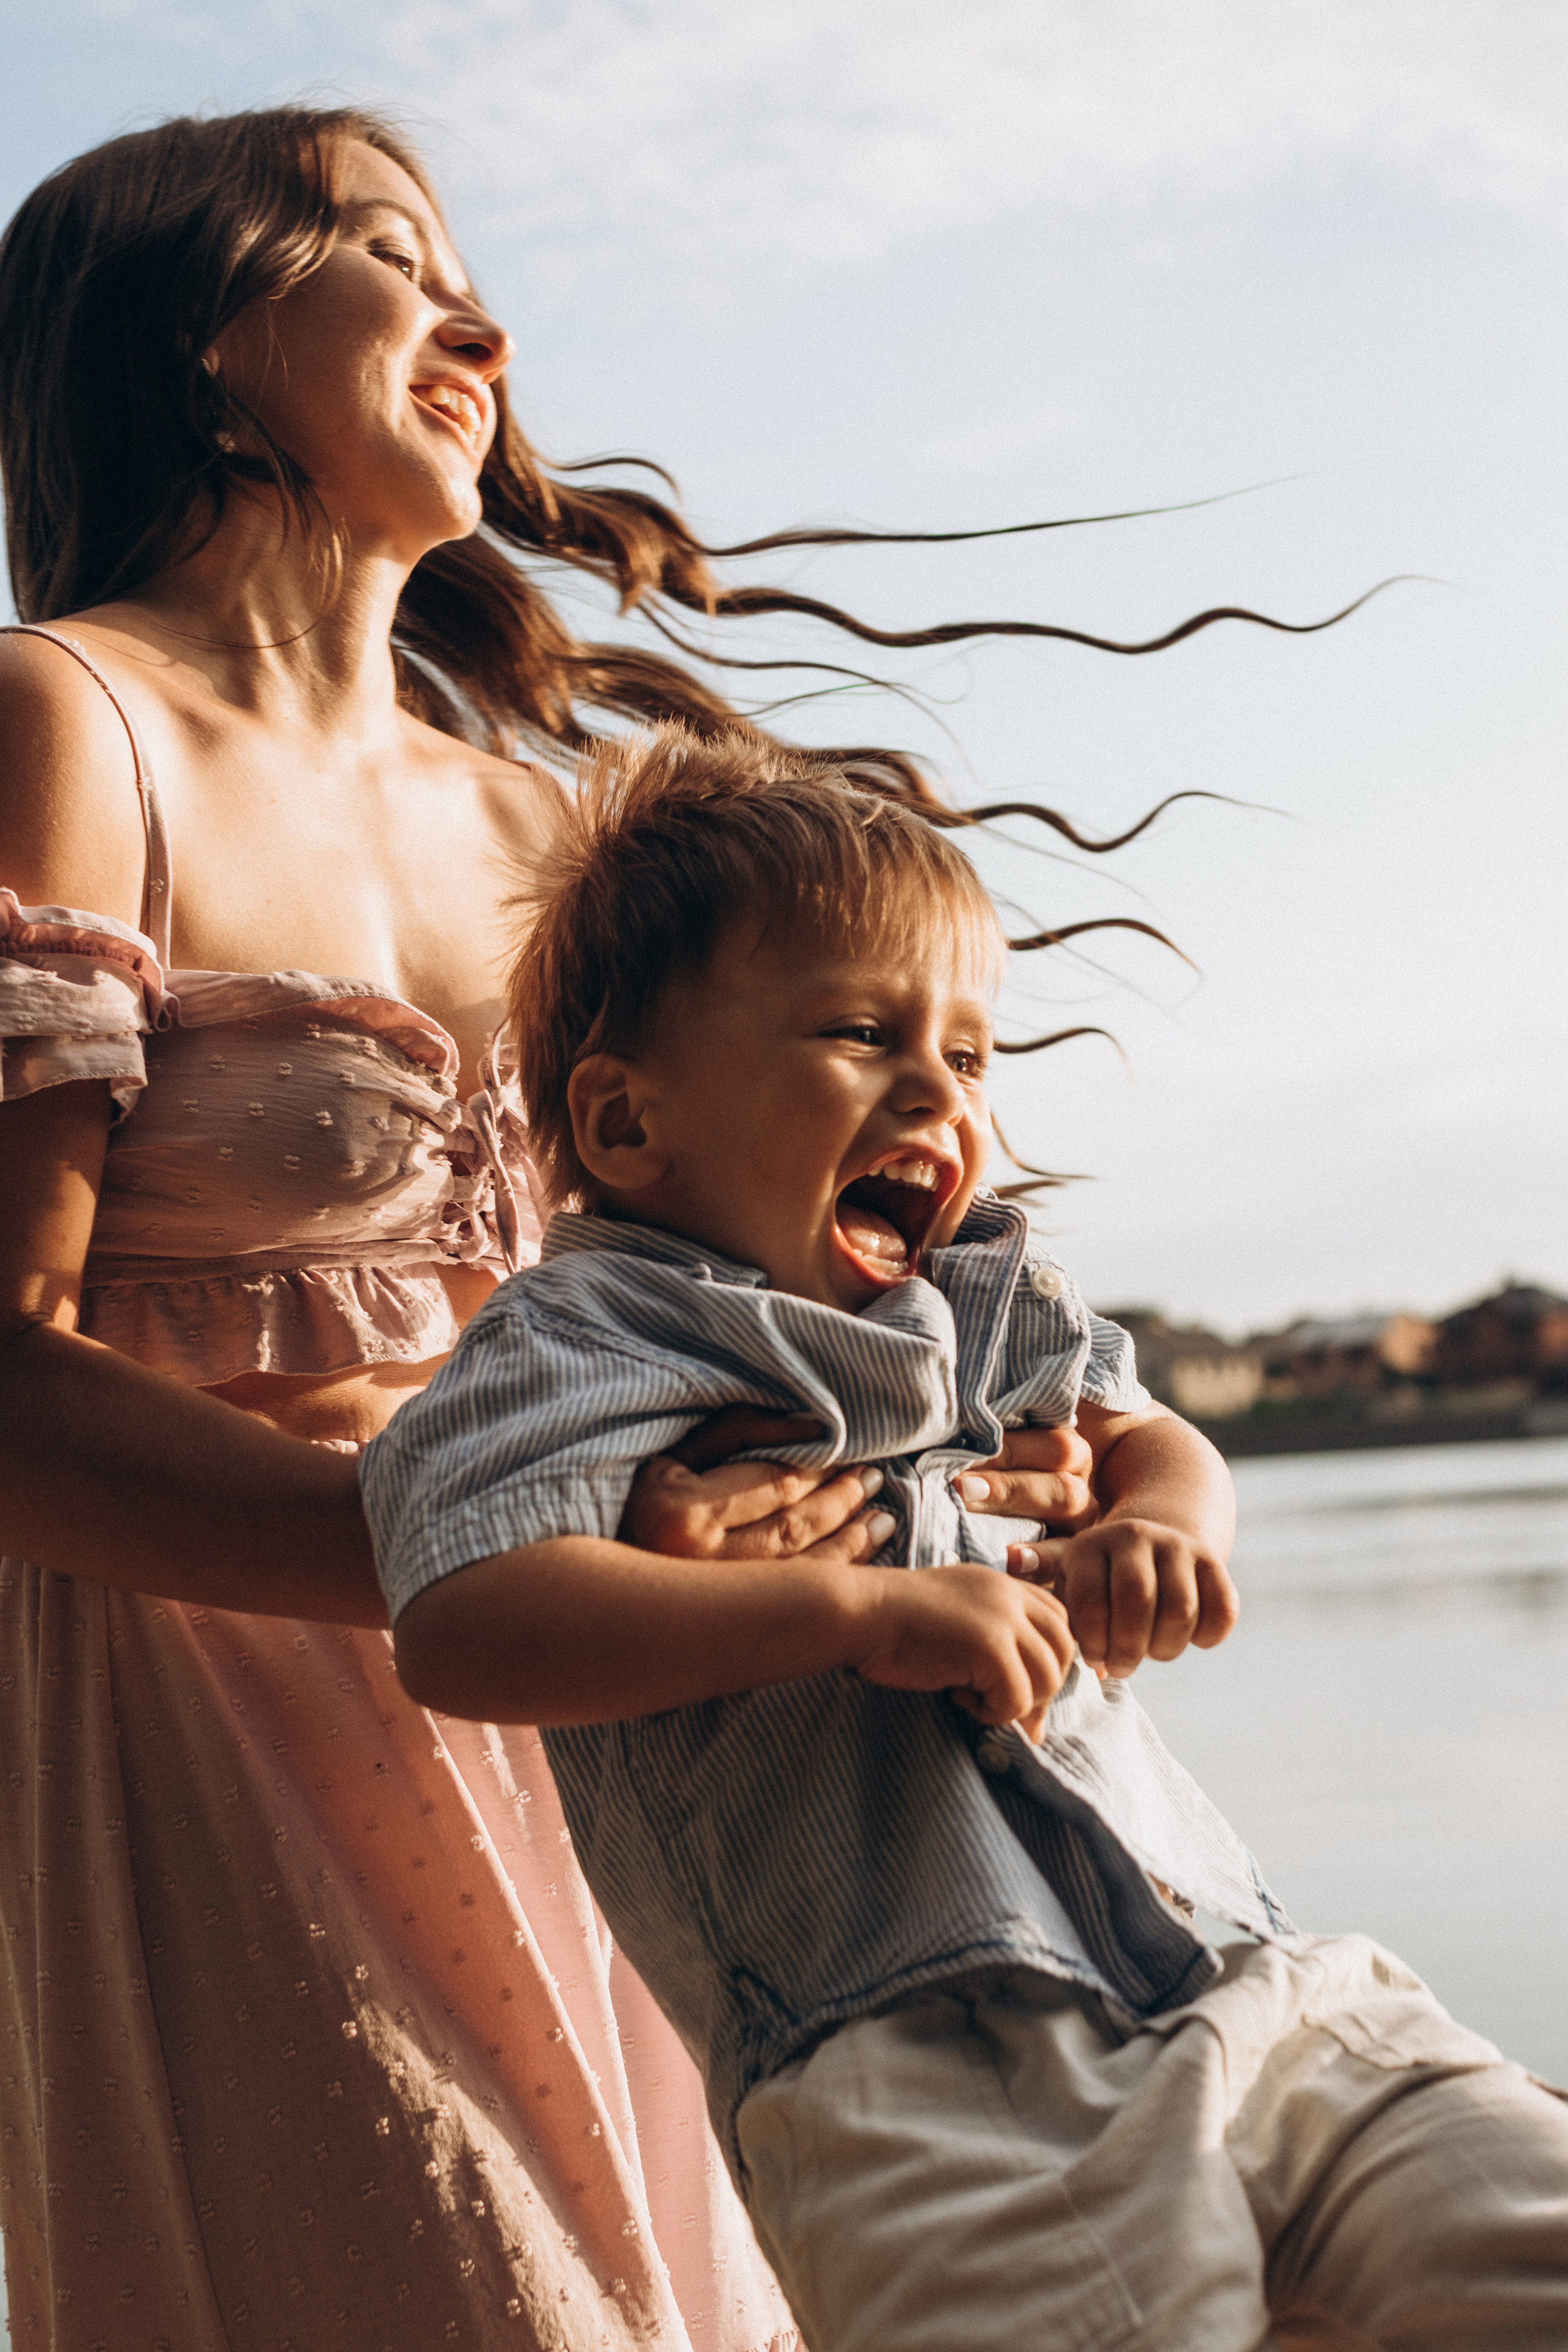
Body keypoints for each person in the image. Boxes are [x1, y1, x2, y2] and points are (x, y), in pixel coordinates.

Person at [0, 106, 1106, 2346]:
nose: (479, 321)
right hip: (231, 1711)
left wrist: (945, 1472)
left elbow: (727, 1295)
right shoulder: (64, 716)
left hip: (648, 1714)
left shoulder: (545, 824)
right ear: (203, 340)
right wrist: (449, 1563)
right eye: (390, 255)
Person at [364, 732, 1568, 2352]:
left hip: (1241, 1965)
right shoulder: (579, 1341)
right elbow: (466, 1624)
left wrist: (1159, 1523)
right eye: (863, 1036)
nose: (940, 1091)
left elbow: (1159, 1438)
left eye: (974, 1055)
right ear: (627, 1124)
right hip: (919, 2067)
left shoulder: (985, 1294)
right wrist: (846, 1611)